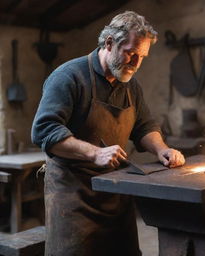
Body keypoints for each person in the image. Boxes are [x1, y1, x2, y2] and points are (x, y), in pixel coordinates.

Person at [31, 10, 185, 256]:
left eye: (141, 56)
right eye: (131, 53)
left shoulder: (130, 85)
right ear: (110, 43)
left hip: (115, 192)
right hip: (74, 195)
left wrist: (162, 149)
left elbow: (144, 125)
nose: (136, 63)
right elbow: (44, 131)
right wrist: (94, 153)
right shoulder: (68, 76)